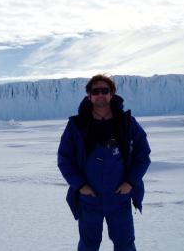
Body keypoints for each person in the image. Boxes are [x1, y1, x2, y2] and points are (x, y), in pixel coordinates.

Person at [57, 74, 151, 251]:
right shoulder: (76, 125)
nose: (100, 94)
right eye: (95, 91)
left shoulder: (127, 123)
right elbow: (64, 159)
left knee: (125, 245)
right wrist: (80, 185)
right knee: (88, 246)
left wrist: (130, 182)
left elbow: (143, 155)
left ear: (112, 94)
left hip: (119, 199)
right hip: (89, 199)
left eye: (105, 90)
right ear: (89, 96)